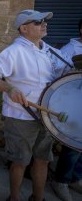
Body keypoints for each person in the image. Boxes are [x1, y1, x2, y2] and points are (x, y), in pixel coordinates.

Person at [0, 9, 71, 201]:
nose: (44, 24)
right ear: (24, 28)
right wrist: (9, 88)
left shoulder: (50, 51)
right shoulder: (14, 52)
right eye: (38, 22)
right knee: (20, 162)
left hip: (47, 117)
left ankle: (38, 198)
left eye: (44, 21)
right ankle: (14, 198)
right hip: (21, 117)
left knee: (43, 160)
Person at [50, 18, 82, 201]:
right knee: (73, 144)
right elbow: (56, 76)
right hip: (73, 102)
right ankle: (60, 181)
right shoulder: (70, 50)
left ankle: (75, 178)